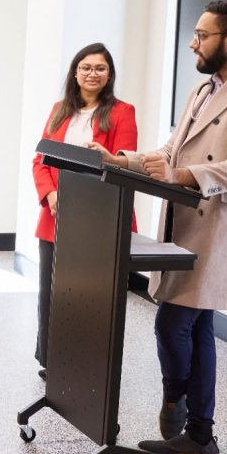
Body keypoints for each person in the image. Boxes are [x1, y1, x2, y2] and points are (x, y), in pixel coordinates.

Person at [89, 0, 227, 454]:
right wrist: (119, 160)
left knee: (172, 321)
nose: (192, 42)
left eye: (202, 34)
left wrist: (182, 175)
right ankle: (200, 435)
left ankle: (176, 401)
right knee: (196, 324)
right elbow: (171, 151)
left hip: (221, 225)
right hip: (187, 220)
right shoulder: (205, 89)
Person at [30, 42, 137, 378]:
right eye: (86, 67)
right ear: (75, 73)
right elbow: (40, 160)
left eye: (100, 68)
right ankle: (51, 360)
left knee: (92, 294)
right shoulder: (60, 109)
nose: (93, 74)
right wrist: (50, 196)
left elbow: (127, 163)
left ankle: (90, 361)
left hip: (99, 218)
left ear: (109, 75)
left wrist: (106, 155)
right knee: (52, 292)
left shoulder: (123, 112)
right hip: (57, 216)